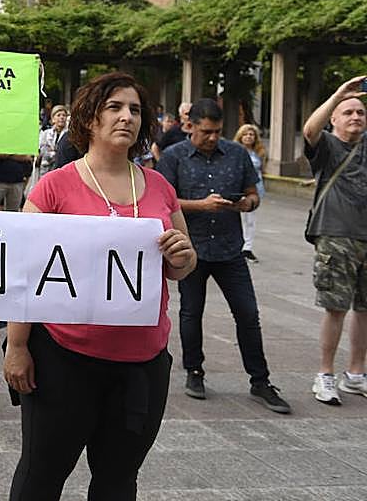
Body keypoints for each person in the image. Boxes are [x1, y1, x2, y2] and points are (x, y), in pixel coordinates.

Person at [4, 72, 196, 500]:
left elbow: (182, 264)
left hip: (142, 365)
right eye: (114, 107)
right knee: (41, 475)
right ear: (89, 118)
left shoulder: (160, 187)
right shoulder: (54, 187)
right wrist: (18, 347)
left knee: (118, 479)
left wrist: (182, 257)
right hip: (63, 361)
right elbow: (24, 271)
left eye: (134, 109)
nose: (126, 116)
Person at [157, 98, 290, 413]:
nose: (213, 137)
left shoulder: (237, 154)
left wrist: (248, 204)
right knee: (191, 312)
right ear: (191, 127)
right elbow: (164, 201)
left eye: (217, 131)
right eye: (206, 132)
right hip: (194, 247)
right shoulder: (175, 157)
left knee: (247, 313)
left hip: (231, 247)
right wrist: (201, 205)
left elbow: (254, 193)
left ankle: (259, 380)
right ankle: (194, 370)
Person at [301, 75, 367, 405]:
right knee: (336, 308)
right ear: (334, 119)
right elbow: (309, 131)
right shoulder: (327, 145)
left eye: (361, 112)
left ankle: (356, 374)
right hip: (336, 235)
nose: (356, 117)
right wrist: (339, 94)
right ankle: (325, 374)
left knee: (365, 309)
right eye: (348, 112)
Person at [233, 123, 266, 262]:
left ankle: (247, 248)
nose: (248, 137)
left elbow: (262, 171)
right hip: (238, 189)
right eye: (245, 134)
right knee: (236, 219)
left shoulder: (259, 153)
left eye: (251, 134)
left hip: (254, 189)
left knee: (250, 220)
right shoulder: (234, 151)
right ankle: (237, 246)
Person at [34, 104, 68, 184]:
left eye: (64, 115)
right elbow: (41, 151)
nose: (62, 117)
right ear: (53, 119)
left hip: (62, 172)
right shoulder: (45, 134)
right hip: (45, 170)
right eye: (58, 115)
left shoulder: (69, 135)